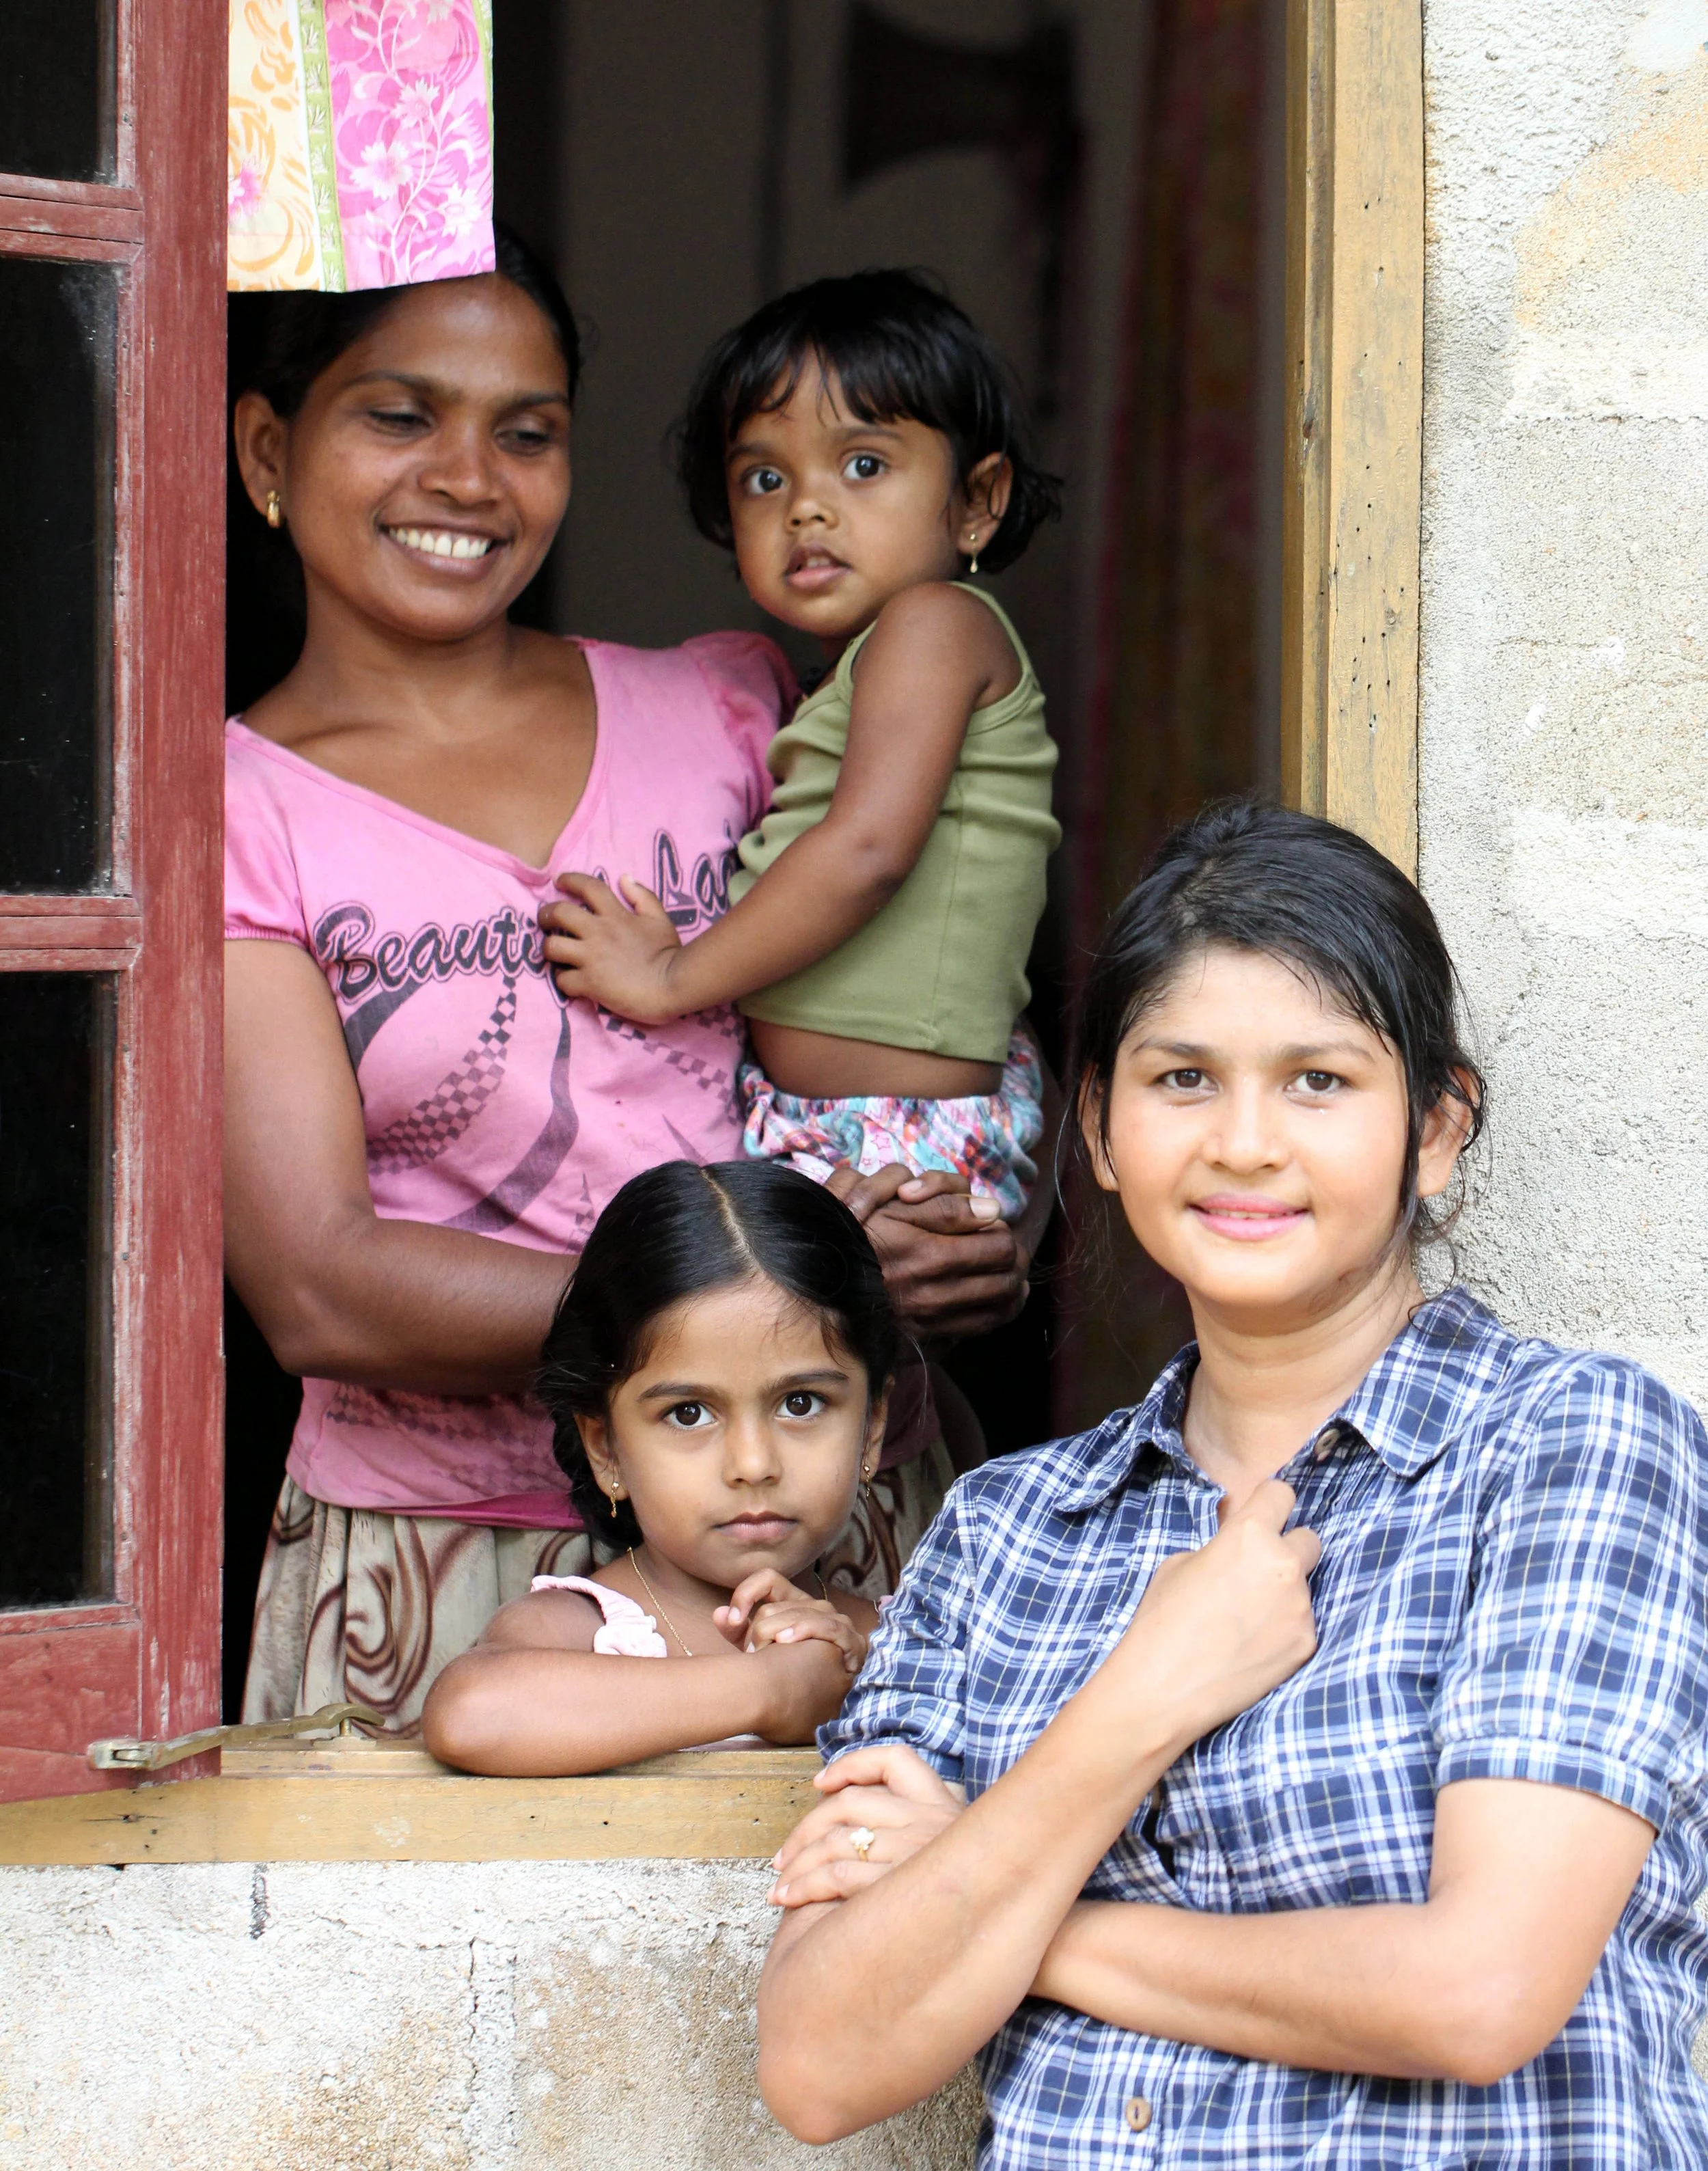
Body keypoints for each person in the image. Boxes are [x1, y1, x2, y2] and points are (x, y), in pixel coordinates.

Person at [758, 802, 1708, 2168]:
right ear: (1098, 1127)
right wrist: (1136, 1701)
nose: (1245, 1141)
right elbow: (818, 2060)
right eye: (1182, 1078)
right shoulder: (1004, 1531)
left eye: (1317, 1079)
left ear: (1435, 1128)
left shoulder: (1569, 1447)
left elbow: (1478, 1992)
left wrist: (1001, 1907)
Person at [223, 234, 1042, 1732]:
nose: (469, 478)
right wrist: (766, 1307)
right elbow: (319, 1287)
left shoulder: (723, 701)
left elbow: (938, 1002)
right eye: (400, 416)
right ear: (268, 449)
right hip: (452, 1552)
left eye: (526, 432)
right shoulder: (231, 809)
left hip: (824, 1536)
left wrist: (990, 1228)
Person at [540, 271, 1061, 1226]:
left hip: (894, 1133)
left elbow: (865, 851)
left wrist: (672, 978)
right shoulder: (854, 670)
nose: (806, 509)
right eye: (765, 479)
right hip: (835, 1121)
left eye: (863, 464)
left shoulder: (935, 626)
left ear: (978, 501)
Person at [422, 1160, 889, 1773]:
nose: (753, 1464)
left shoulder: (896, 1641)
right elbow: (472, 1714)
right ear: (605, 1449)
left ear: (872, 1429)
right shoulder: (580, 1631)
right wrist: (770, 1690)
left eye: (800, 1404)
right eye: (689, 1413)